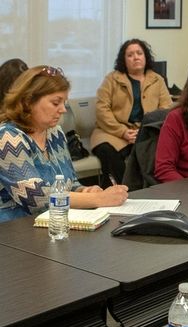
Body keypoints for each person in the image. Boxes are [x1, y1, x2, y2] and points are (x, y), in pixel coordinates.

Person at [0, 66, 128, 223]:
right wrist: (98, 199)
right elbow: (36, 199)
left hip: (56, 223)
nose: (63, 110)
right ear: (28, 101)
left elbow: (70, 184)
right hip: (14, 230)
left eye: (64, 102)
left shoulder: (55, 132)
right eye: (55, 103)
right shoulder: (8, 138)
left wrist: (85, 191)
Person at [91, 39, 172, 188]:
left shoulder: (157, 80)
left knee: (153, 153)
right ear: (124, 60)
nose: (136, 57)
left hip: (146, 131)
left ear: (145, 56)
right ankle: (124, 190)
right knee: (107, 152)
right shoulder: (112, 79)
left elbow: (166, 109)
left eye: (139, 53)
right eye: (130, 55)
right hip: (112, 132)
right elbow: (102, 109)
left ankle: (149, 190)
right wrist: (123, 132)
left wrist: (143, 130)